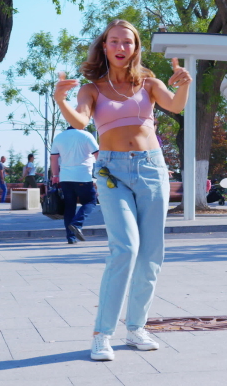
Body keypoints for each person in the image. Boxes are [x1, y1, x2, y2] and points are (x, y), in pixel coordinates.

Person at [54, 19, 192, 361]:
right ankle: (102, 334)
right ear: (105, 47)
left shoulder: (149, 83)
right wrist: (61, 98)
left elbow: (176, 106)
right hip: (112, 170)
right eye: (114, 41)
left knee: (151, 254)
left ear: (135, 47)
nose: (120, 47)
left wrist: (186, 83)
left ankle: (135, 328)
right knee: (125, 249)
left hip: (151, 167)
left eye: (127, 42)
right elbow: (81, 122)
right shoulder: (92, 89)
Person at [50, 127, 99, 244]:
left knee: (69, 207)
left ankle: (71, 238)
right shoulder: (87, 135)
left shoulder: (59, 137)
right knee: (91, 201)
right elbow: (98, 155)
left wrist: (55, 175)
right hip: (83, 177)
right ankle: (77, 224)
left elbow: (53, 159)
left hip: (65, 178)